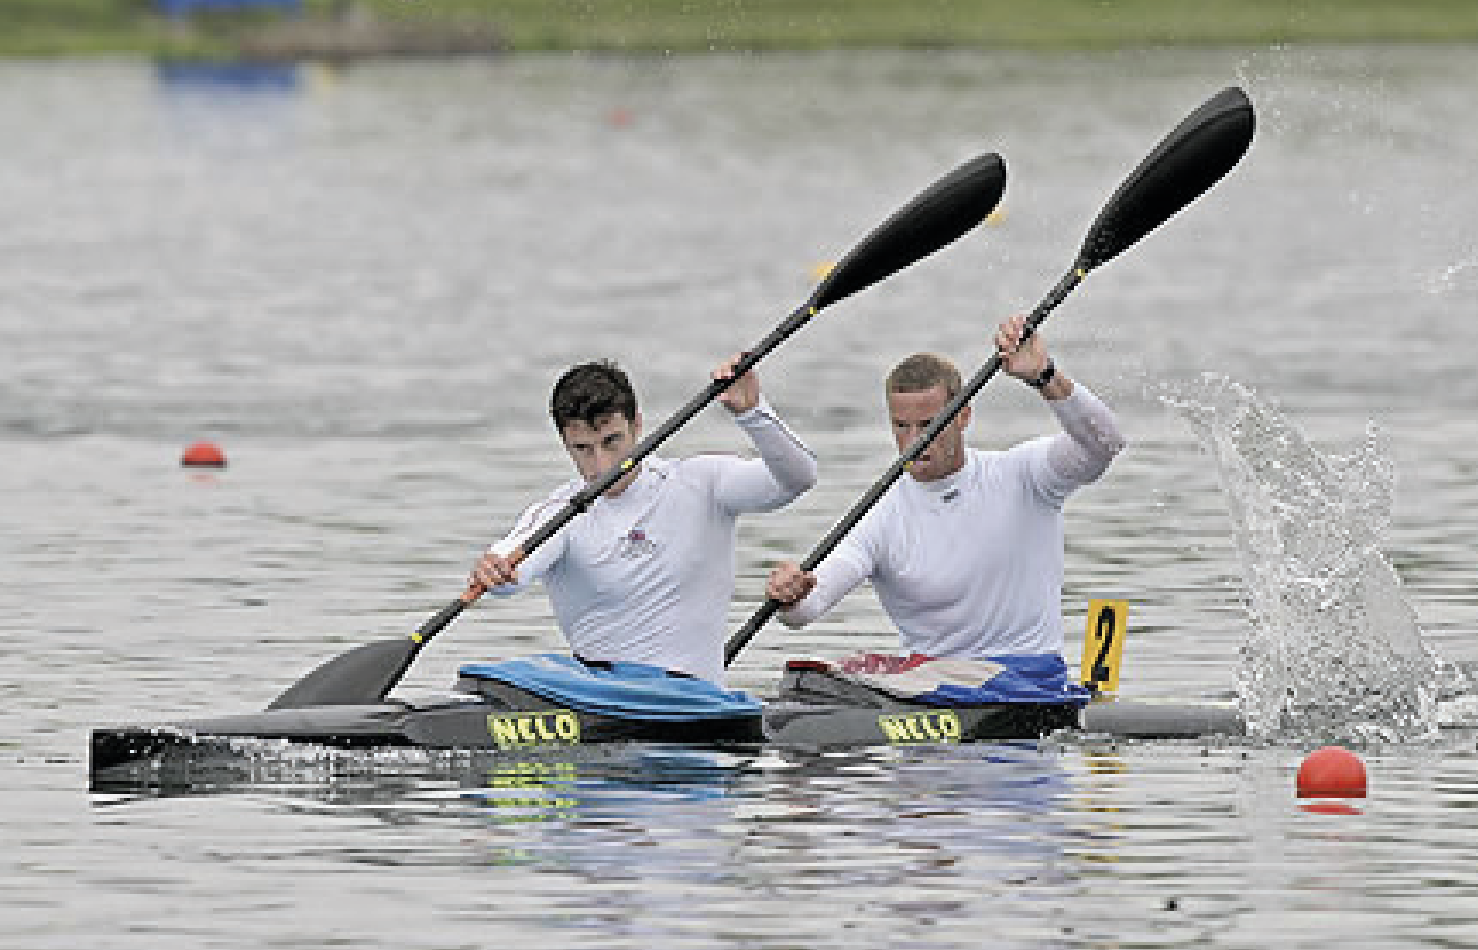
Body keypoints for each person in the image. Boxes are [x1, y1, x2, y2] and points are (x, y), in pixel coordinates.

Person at [763, 314, 1125, 696]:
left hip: (1027, 681)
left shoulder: (1024, 476)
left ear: (963, 416)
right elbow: (807, 610)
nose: (914, 440)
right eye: (901, 426)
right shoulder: (879, 515)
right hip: (931, 688)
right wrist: (792, 595)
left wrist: (1045, 377)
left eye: (928, 425)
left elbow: (1104, 445)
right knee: (808, 682)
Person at [470, 356, 817, 686]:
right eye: (583, 449)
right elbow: (513, 567)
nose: (601, 465)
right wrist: (495, 570)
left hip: (699, 707)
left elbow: (797, 478)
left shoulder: (702, 483)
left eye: (611, 442)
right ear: (565, 443)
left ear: (637, 425)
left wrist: (753, 413)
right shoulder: (559, 514)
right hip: (607, 709)